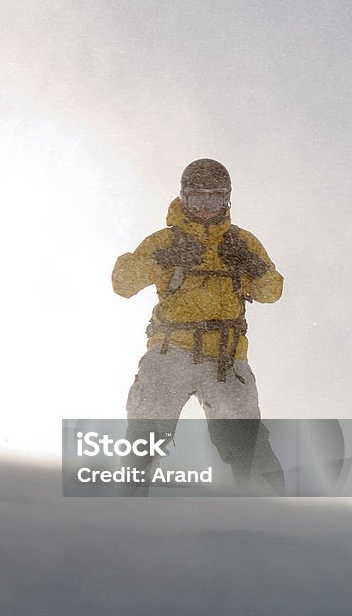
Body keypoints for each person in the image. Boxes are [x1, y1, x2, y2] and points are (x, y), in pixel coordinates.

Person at [112, 158, 286, 495]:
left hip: (225, 359)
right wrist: (160, 259)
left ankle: (271, 512)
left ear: (227, 201)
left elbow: (272, 291)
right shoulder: (165, 241)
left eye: (214, 200)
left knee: (246, 441)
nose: (205, 209)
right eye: (197, 199)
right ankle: (127, 502)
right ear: (183, 198)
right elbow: (123, 284)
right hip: (171, 350)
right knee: (147, 427)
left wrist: (252, 266)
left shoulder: (241, 242)